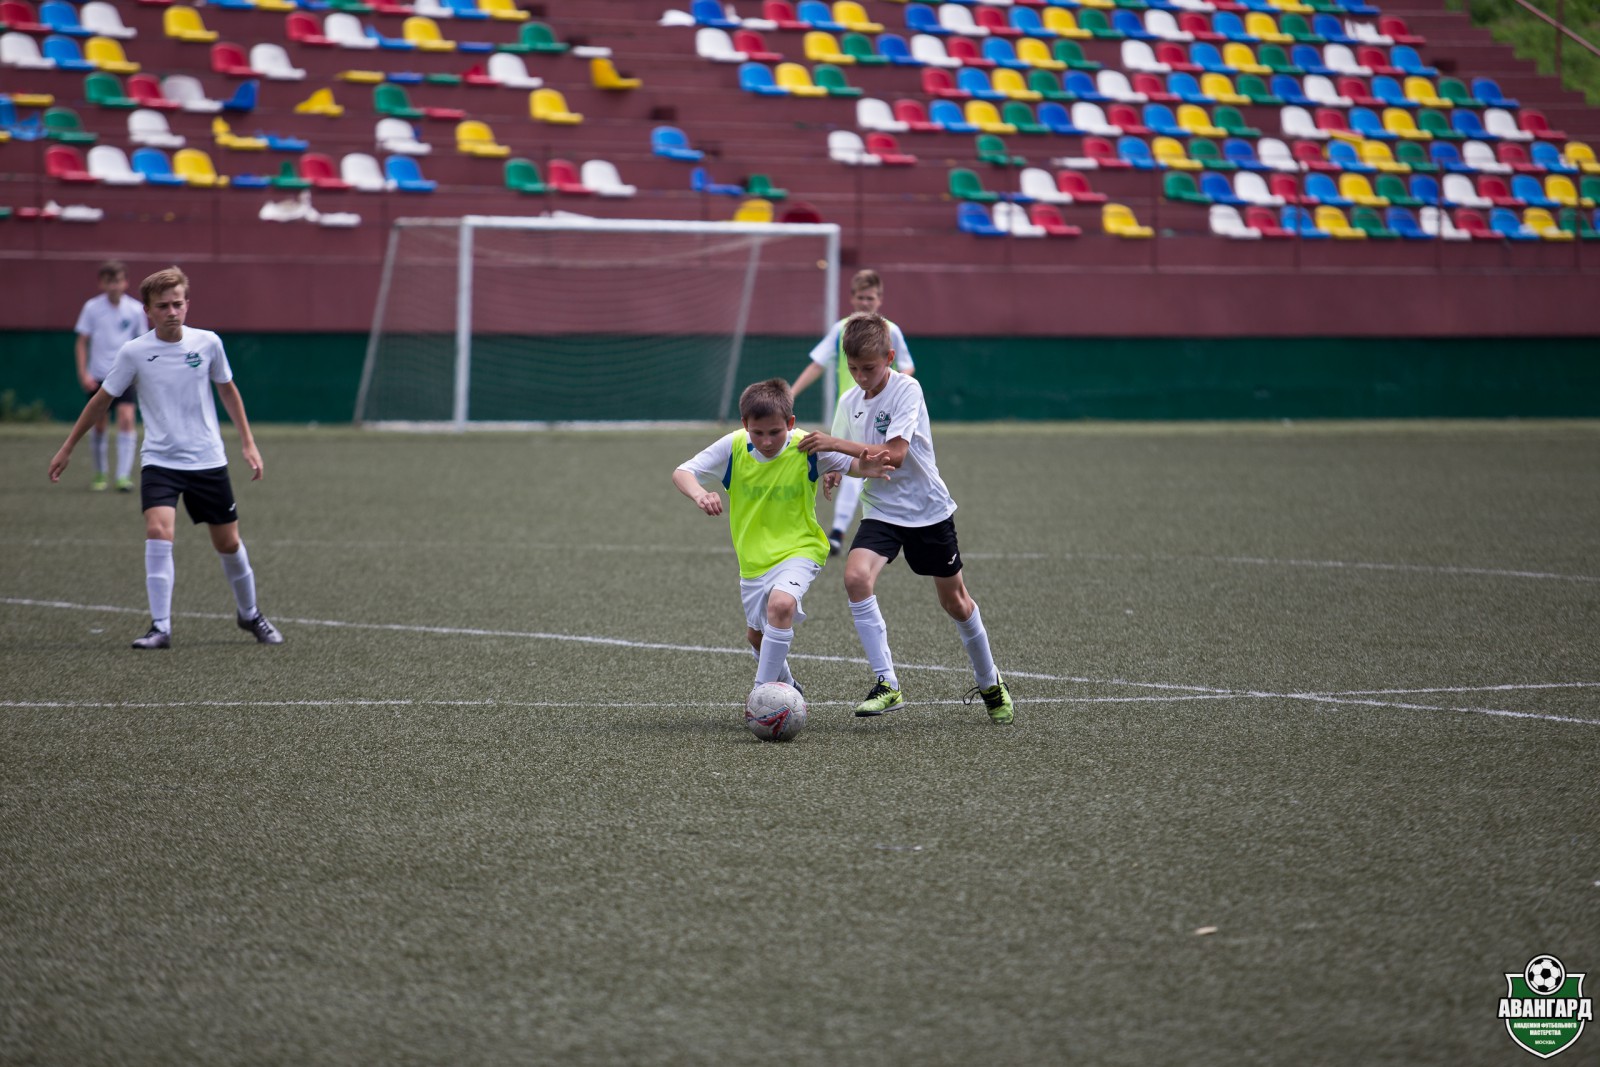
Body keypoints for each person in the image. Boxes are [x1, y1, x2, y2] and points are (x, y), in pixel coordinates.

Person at [48, 266, 284, 650]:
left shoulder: (208, 343)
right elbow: (101, 400)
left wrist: (248, 442)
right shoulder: (135, 352)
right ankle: (160, 627)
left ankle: (250, 613)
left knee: (227, 543)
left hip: (207, 460)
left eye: (178, 303)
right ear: (148, 311)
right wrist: (68, 447)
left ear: (187, 304)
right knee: (158, 531)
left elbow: (228, 392)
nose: (172, 311)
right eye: (163, 306)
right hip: (160, 461)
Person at [798, 313, 1014, 725]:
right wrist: (833, 468)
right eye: (855, 369)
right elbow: (847, 457)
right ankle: (887, 683)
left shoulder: (906, 390)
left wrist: (835, 445)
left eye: (870, 368)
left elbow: (894, 455)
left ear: (890, 358)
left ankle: (989, 681)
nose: (861, 377)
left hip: (927, 511)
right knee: (856, 577)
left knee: (956, 602)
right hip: (881, 511)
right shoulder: (848, 403)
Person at [673, 378, 891, 696]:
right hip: (753, 560)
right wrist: (699, 494)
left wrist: (864, 467)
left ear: (790, 423)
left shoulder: (807, 447)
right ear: (745, 424)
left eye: (775, 432)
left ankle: (762, 694)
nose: (766, 441)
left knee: (781, 605)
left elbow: (852, 465)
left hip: (801, 548)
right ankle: (787, 686)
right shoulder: (733, 446)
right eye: (757, 432)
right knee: (756, 637)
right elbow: (683, 472)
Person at [791, 269, 916, 557]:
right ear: (851, 298)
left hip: (884, 415)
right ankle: (839, 531)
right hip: (850, 413)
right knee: (848, 466)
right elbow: (817, 364)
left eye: (870, 298)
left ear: (880, 300)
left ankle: (841, 531)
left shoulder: (890, 331)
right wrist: (792, 392)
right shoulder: (841, 330)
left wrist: (898, 388)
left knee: (869, 462)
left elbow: (907, 366)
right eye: (860, 297)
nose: (865, 303)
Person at [73, 260, 148, 492]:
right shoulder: (92, 308)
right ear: (102, 283)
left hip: (124, 376)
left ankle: (123, 476)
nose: (114, 286)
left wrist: (140, 373)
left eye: (117, 281)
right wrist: (83, 373)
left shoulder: (135, 309)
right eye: (109, 281)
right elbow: (81, 342)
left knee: (126, 418)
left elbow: (143, 343)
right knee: (99, 424)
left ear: (125, 282)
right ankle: (100, 473)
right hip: (98, 376)